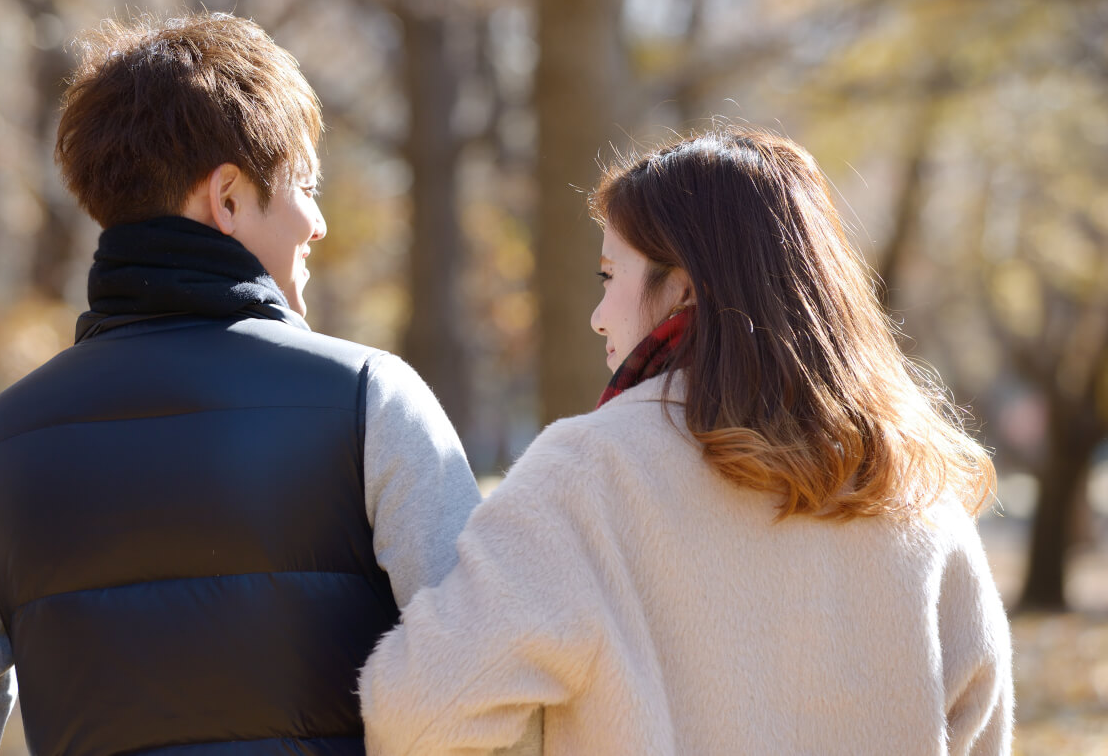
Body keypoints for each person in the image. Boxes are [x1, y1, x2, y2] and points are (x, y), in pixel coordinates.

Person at [0, 11, 483, 755]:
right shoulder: (370, 401)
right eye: (306, 186)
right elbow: (481, 693)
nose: (317, 223)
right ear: (226, 196)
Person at [360, 126, 1014, 755]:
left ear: (683, 288)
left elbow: (419, 716)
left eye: (609, 276)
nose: (597, 316)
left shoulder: (590, 475)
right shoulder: (918, 492)